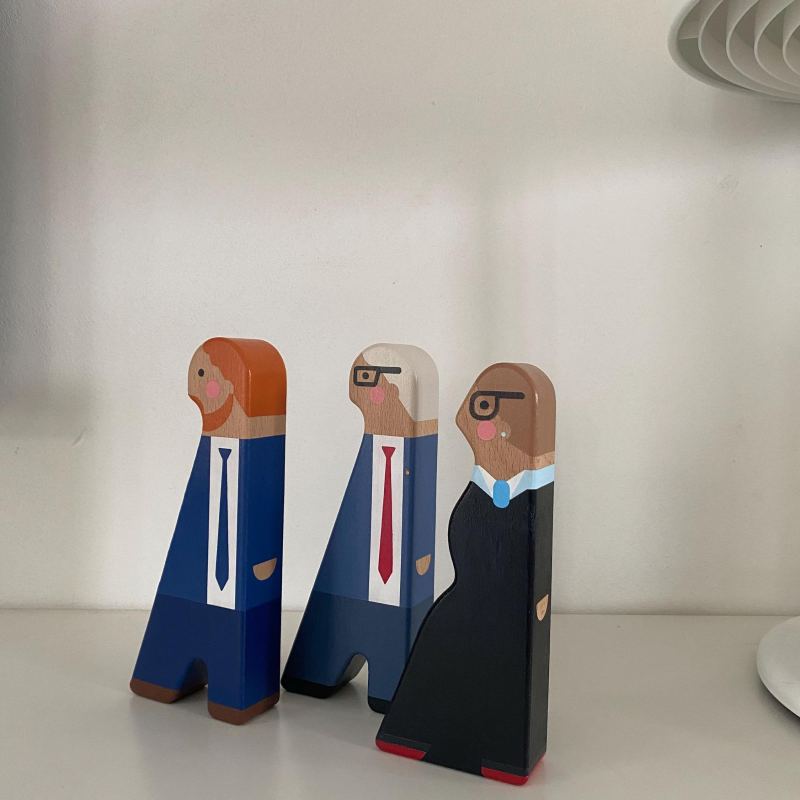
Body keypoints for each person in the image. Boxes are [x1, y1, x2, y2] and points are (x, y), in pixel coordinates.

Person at [376, 362, 555, 784]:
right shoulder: (488, 483)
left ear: (506, 424)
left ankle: (495, 749)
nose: (466, 421)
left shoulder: (527, 496)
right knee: (447, 652)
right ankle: (427, 732)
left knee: (496, 664)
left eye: (481, 407)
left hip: (498, 612)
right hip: (472, 604)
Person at [130, 337, 286, 724]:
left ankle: (236, 689)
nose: (195, 385)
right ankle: (161, 671)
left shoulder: (257, 451)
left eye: (203, 375)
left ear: (229, 386)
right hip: (189, 588)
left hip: (244, 593)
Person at [282, 343, 438, 712]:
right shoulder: (372, 462)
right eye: (363, 378)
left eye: (372, 379)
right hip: (346, 593)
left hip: (401, 597)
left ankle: (393, 681)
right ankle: (316, 666)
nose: (365, 388)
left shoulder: (414, 452)